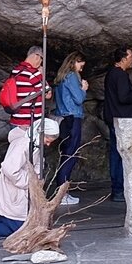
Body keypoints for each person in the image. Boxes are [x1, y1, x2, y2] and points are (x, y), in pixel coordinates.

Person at [101, 46, 132, 203]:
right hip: (121, 120)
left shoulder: (111, 74)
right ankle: (119, 190)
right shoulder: (120, 75)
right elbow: (124, 97)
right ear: (123, 58)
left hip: (113, 117)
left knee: (116, 153)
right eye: (131, 56)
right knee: (120, 155)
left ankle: (117, 189)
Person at [52, 51, 88, 206]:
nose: (82, 67)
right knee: (71, 154)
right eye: (80, 64)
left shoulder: (61, 78)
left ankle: (61, 191)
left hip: (63, 118)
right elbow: (79, 99)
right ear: (74, 62)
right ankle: (62, 193)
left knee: (65, 154)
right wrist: (84, 88)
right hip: (73, 117)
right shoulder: (72, 76)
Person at [6, 46, 48, 130]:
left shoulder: (15, 71)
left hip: (15, 119)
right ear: (37, 56)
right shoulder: (33, 73)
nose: (41, 62)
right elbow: (47, 94)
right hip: (29, 122)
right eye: (41, 59)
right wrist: (42, 74)